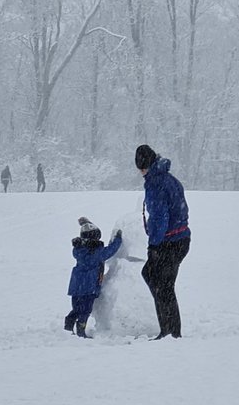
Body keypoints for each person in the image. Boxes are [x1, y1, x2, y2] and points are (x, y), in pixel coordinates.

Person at [135, 143, 191, 339]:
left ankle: (170, 333)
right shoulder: (168, 178)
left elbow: (160, 218)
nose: (140, 172)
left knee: (161, 284)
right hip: (181, 238)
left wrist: (154, 245)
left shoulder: (156, 184)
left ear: (147, 165)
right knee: (159, 281)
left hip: (170, 242)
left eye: (141, 168)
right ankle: (169, 331)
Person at [64, 218, 122, 338]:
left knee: (76, 309)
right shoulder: (96, 253)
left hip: (76, 286)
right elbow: (111, 251)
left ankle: (68, 327)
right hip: (89, 287)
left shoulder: (79, 250)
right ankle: (81, 331)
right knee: (85, 310)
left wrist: (86, 223)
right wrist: (118, 239)